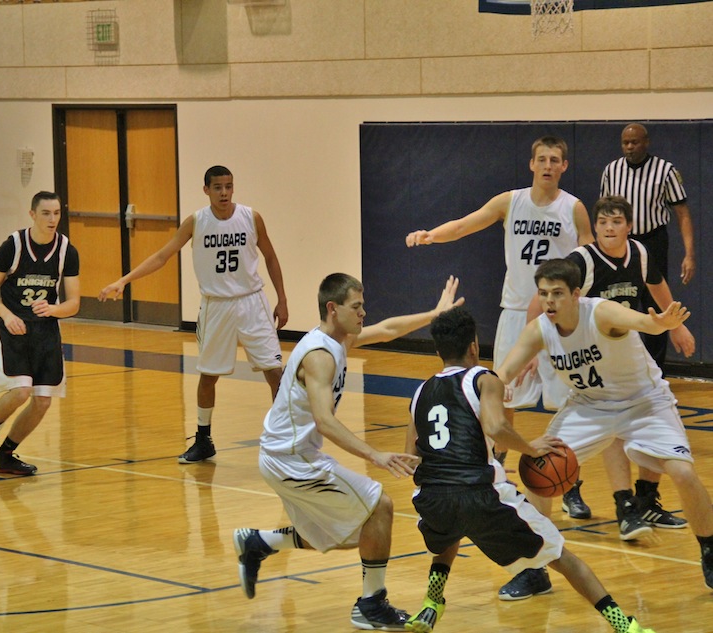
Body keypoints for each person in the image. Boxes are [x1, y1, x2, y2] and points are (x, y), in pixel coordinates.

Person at [405, 135, 593, 600]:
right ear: (531, 163)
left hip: (559, 315)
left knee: (573, 402)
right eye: (541, 159)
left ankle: (567, 480)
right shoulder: (509, 201)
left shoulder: (574, 209)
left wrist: (576, 303)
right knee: (502, 404)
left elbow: (589, 261)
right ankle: (498, 474)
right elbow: (467, 224)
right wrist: (432, 234)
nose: (548, 165)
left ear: (564, 166)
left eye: (555, 160)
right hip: (514, 316)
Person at [401, 306, 654, 633]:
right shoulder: (483, 378)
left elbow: (411, 456)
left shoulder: (420, 392)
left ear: (437, 351)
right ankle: (625, 626)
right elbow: (496, 428)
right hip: (481, 494)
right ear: (475, 346)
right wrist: (531, 447)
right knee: (563, 557)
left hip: (430, 497)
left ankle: (431, 603)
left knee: (447, 533)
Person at [232, 273, 462, 631]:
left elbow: (387, 329)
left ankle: (259, 542)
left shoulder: (336, 340)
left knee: (354, 535)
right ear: (332, 308)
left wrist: (434, 314)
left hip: (289, 456)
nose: (363, 313)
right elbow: (324, 421)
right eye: (356, 307)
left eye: (362, 306)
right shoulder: (320, 356)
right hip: (292, 460)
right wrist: (376, 455)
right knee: (379, 506)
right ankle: (371, 604)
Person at [496, 258, 713, 592]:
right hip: (589, 406)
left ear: (576, 294)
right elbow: (504, 371)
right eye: (543, 294)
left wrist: (661, 323)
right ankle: (536, 567)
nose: (549, 301)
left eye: (557, 293)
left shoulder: (600, 313)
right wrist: (488, 386)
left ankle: (709, 551)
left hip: (644, 403)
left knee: (683, 473)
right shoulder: (540, 328)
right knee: (539, 472)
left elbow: (644, 322)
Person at [99, 165, 288, 464]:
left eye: (228, 186)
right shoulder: (197, 222)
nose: (224, 193)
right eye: (217, 187)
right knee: (208, 376)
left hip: (253, 302)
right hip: (216, 305)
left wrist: (282, 299)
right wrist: (124, 280)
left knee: (275, 372)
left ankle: (284, 437)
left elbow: (271, 257)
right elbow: (162, 256)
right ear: (206, 190)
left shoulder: (251, 217)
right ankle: (203, 439)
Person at [555, 195, 694, 535]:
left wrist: (676, 324)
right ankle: (602, 496)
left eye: (616, 221)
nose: (608, 228)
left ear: (629, 227)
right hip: (588, 356)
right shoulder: (582, 261)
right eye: (602, 222)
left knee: (657, 414)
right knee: (606, 427)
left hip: (629, 350)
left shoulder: (641, 253)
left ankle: (646, 501)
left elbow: (657, 284)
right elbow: (543, 298)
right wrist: (535, 345)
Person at [0, 191, 79, 476]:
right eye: (46, 214)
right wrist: (7, 315)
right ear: (32, 215)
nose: (52, 219)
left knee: (42, 401)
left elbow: (73, 303)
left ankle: (5, 455)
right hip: (15, 328)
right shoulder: (13, 246)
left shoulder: (67, 250)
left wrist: (53, 309)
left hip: (46, 332)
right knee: (21, 392)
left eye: (57, 213)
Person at [600, 122, 695, 372]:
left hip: (653, 241)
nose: (629, 147)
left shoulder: (665, 170)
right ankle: (619, 366)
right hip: (621, 244)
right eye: (625, 143)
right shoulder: (612, 170)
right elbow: (604, 211)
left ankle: (656, 370)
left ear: (646, 142)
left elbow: (682, 213)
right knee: (620, 301)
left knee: (655, 303)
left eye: (635, 142)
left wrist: (689, 254)